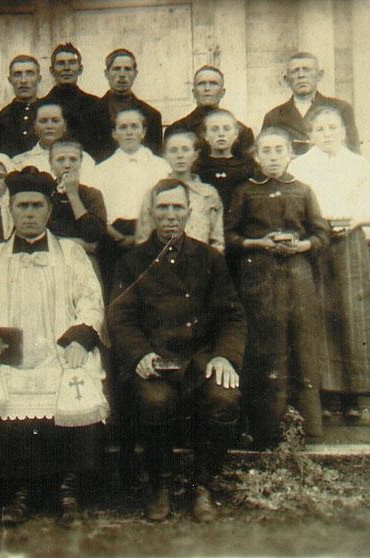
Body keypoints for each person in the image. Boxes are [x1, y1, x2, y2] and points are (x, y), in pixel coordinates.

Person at [0, 167, 109, 527]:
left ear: (48, 211)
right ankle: (18, 490)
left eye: (36, 206)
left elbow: (91, 299)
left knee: (74, 385)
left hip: (60, 347)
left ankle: (66, 491)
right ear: (10, 209)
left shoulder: (71, 252)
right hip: (10, 350)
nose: (28, 213)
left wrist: (80, 336)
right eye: (21, 206)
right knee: (1, 394)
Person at [107, 179, 246, 522]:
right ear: (152, 213)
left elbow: (232, 315)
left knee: (225, 399)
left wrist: (224, 356)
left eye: (177, 208)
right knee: (155, 402)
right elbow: (120, 317)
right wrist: (138, 354)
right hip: (155, 360)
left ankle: (203, 486)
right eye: (163, 208)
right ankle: (159, 485)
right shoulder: (132, 262)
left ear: (188, 211)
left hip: (200, 358)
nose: (170, 215)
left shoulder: (209, 258)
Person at [225, 127, 330, 448]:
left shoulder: (303, 190)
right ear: (256, 156)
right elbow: (230, 236)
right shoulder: (245, 191)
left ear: (290, 154)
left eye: (279, 150)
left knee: (301, 345)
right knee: (263, 348)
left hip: (297, 279)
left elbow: (321, 233)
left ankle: (306, 429)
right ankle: (266, 431)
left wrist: (302, 246)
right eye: (266, 151)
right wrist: (258, 242)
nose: (272, 157)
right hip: (259, 278)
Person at [289, 106, 370, 418]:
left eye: (333, 128)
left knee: (351, 311)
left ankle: (353, 393)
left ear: (344, 131)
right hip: (316, 242)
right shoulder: (300, 166)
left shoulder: (358, 164)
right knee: (320, 310)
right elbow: (295, 205)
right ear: (310, 135)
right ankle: (327, 391)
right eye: (320, 129)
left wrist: (357, 221)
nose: (327, 134)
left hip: (351, 241)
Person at [93, 108, 171, 289]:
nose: (129, 132)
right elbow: (97, 210)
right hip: (113, 238)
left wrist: (142, 236)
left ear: (143, 132)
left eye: (134, 126)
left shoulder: (161, 166)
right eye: (123, 127)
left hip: (151, 236)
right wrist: (117, 237)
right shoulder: (101, 170)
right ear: (114, 134)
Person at [136, 131, 224, 252]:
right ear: (164, 155)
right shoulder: (154, 192)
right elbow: (143, 237)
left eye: (185, 149)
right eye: (173, 150)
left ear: (195, 155)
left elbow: (217, 240)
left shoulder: (208, 194)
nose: (180, 156)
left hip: (200, 263)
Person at [262, 52, 360, 156]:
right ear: (286, 79)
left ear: (319, 75)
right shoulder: (273, 116)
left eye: (307, 69)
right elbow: (265, 155)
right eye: (295, 71)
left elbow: (353, 151)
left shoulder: (340, 109)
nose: (301, 75)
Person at [166, 66, 254, 158]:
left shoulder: (242, 132)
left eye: (213, 83)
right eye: (201, 84)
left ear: (222, 92)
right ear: (194, 92)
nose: (207, 88)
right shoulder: (177, 129)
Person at [40, 43, 106, 160]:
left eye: (72, 62)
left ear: (80, 69)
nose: (66, 68)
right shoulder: (41, 107)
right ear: (52, 71)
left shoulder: (96, 105)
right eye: (61, 63)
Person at [98, 49, 162, 159]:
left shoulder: (152, 115)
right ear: (106, 74)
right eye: (116, 69)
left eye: (127, 69)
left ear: (135, 74)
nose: (122, 75)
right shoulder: (89, 113)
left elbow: (154, 157)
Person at [11, 101, 97, 183]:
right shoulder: (20, 162)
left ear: (65, 125)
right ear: (34, 126)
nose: (49, 126)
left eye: (55, 120)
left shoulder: (85, 159)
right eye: (43, 121)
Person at [45, 140, 107, 251]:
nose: (67, 165)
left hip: (84, 258)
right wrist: (78, 244)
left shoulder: (92, 194)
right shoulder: (44, 193)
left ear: (80, 162)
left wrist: (73, 195)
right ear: (51, 164)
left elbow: (94, 236)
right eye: (60, 160)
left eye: (73, 159)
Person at [194, 109, 256, 212]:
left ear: (236, 133)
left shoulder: (246, 168)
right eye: (214, 129)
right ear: (205, 135)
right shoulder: (198, 168)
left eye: (226, 129)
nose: (221, 134)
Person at [0, 55, 42, 157]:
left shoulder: (51, 118)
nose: (23, 80)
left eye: (30, 73)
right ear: (10, 80)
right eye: (17, 74)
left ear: (39, 79)